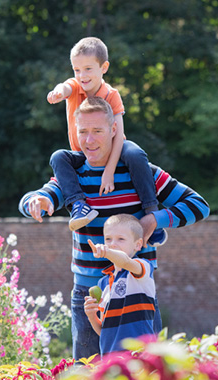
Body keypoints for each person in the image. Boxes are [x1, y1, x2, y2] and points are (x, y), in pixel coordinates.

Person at [18, 97, 210, 360]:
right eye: (83, 131)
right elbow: (35, 197)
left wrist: (155, 220)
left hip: (135, 293)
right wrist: (38, 201)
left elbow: (199, 205)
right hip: (89, 296)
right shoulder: (71, 176)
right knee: (88, 371)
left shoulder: (141, 173)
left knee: (143, 373)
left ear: (113, 131)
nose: (89, 140)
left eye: (97, 131)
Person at [46, 37, 165, 245]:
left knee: (135, 154)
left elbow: (119, 135)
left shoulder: (111, 94)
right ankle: (78, 205)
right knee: (58, 157)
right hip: (85, 153)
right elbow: (65, 86)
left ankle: (151, 211)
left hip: (114, 150)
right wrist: (58, 92)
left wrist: (109, 171)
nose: (82, 75)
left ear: (104, 67)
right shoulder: (75, 87)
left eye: (88, 69)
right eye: (76, 70)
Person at [83, 214, 156, 356]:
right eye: (108, 239)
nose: (112, 244)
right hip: (111, 358)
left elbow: (125, 262)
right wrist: (92, 316)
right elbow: (105, 330)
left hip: (139, 356)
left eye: (121, 239)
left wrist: (108, 252)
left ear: (138, 244)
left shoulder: (142, 268)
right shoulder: (103, 283)